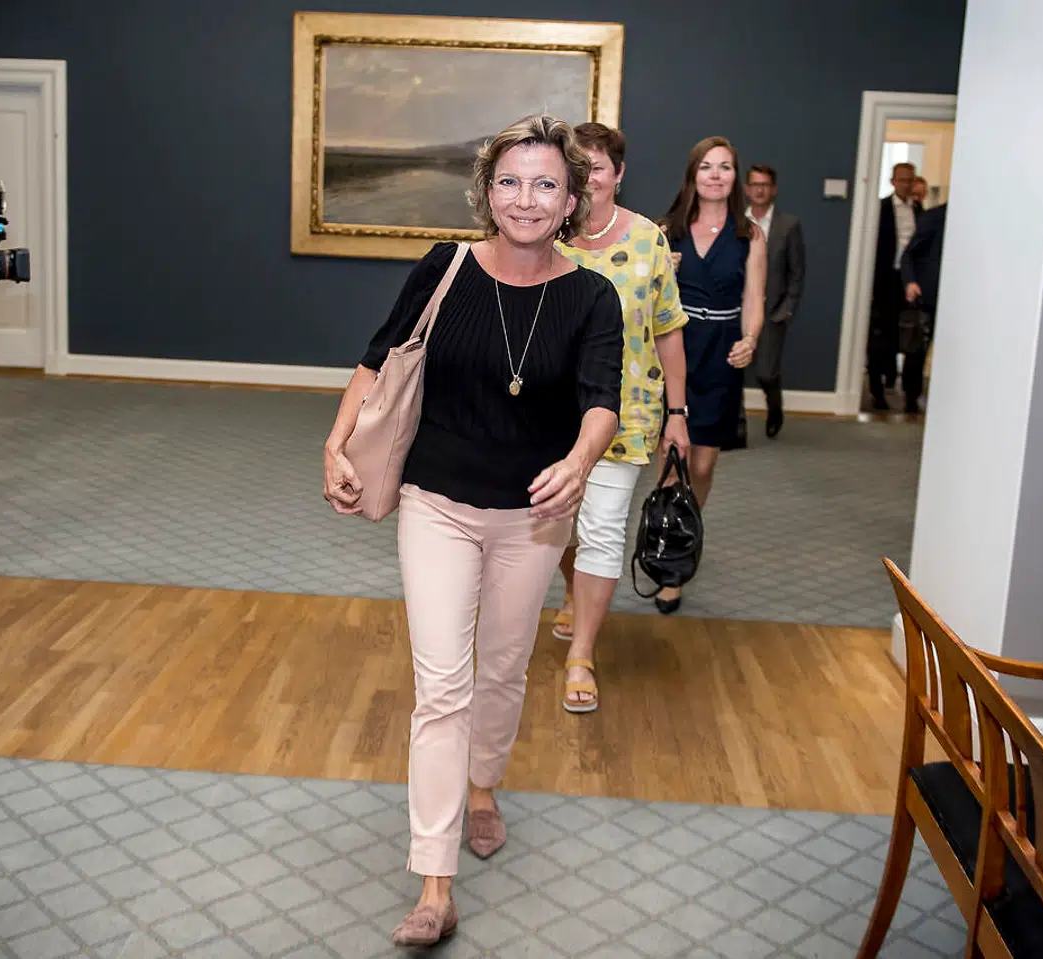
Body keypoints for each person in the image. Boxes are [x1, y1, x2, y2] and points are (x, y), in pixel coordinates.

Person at [321, 115, 621, 946]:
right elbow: (379, 360)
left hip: (534, 513)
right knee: (443, 684)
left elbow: (602, 400)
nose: (525, 199)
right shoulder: (444, 268)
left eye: (545, 184)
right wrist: (335, 439)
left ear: (572, 201)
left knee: (504, 666)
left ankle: (484, 783)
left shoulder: (591, 295)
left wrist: (582, 459)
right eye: (510, 182)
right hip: (437, 502)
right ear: (487, 191)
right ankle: (434, 879)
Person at [550, 121, 688, 713]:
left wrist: (678, 413)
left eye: (597, 168)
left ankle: (582, 652)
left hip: (626, 408)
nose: (586, 179)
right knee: (556, 525)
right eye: (575, 168)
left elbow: (668, 329)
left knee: (602, 529)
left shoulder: (650, 238)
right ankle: (571, 590)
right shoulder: (541, 232)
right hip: (545, 410)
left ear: (618, 173)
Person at [652, 137, 766, 614]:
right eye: (706, 166)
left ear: (734, 177)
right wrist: (664, 272)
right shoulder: (666, 230)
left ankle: (688, 527)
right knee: (670, 459)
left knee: (701, 465)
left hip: (721, 355)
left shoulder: (750, 234)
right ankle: (668, 563)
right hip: (675, 349)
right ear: (692, 174)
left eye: (724, 167)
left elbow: (755, 297)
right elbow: (645, 296)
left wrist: (751, 338)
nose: (715, 175)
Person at [744, 163, 806, 438]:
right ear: (747, 189)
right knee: (731, 371)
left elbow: (797, 272)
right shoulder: (734, 221)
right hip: (735, 309)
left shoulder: (789, 225)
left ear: (774, 190)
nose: (759, 189)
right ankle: (736, 427)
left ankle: (775, 409)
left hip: (771, 311)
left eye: (765, 185)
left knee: (766, 372)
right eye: (755, 184)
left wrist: (787, 309)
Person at [867, 162, 924, 409]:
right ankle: (877, 391)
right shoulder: (880, 209)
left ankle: (911, 395)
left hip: (911, 283)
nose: (905, 184)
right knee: (881, 338)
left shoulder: (921, 212)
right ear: (893, 181)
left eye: (910, 180)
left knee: (913, 337)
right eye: (901, 180)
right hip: (885, 281)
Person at [899, 202, 947, 413]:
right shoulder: (934, 217)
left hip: (963, 301)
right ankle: (911, 397)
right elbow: (908, 254)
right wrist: (910, 281)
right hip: (929, 295)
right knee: (918, 349)